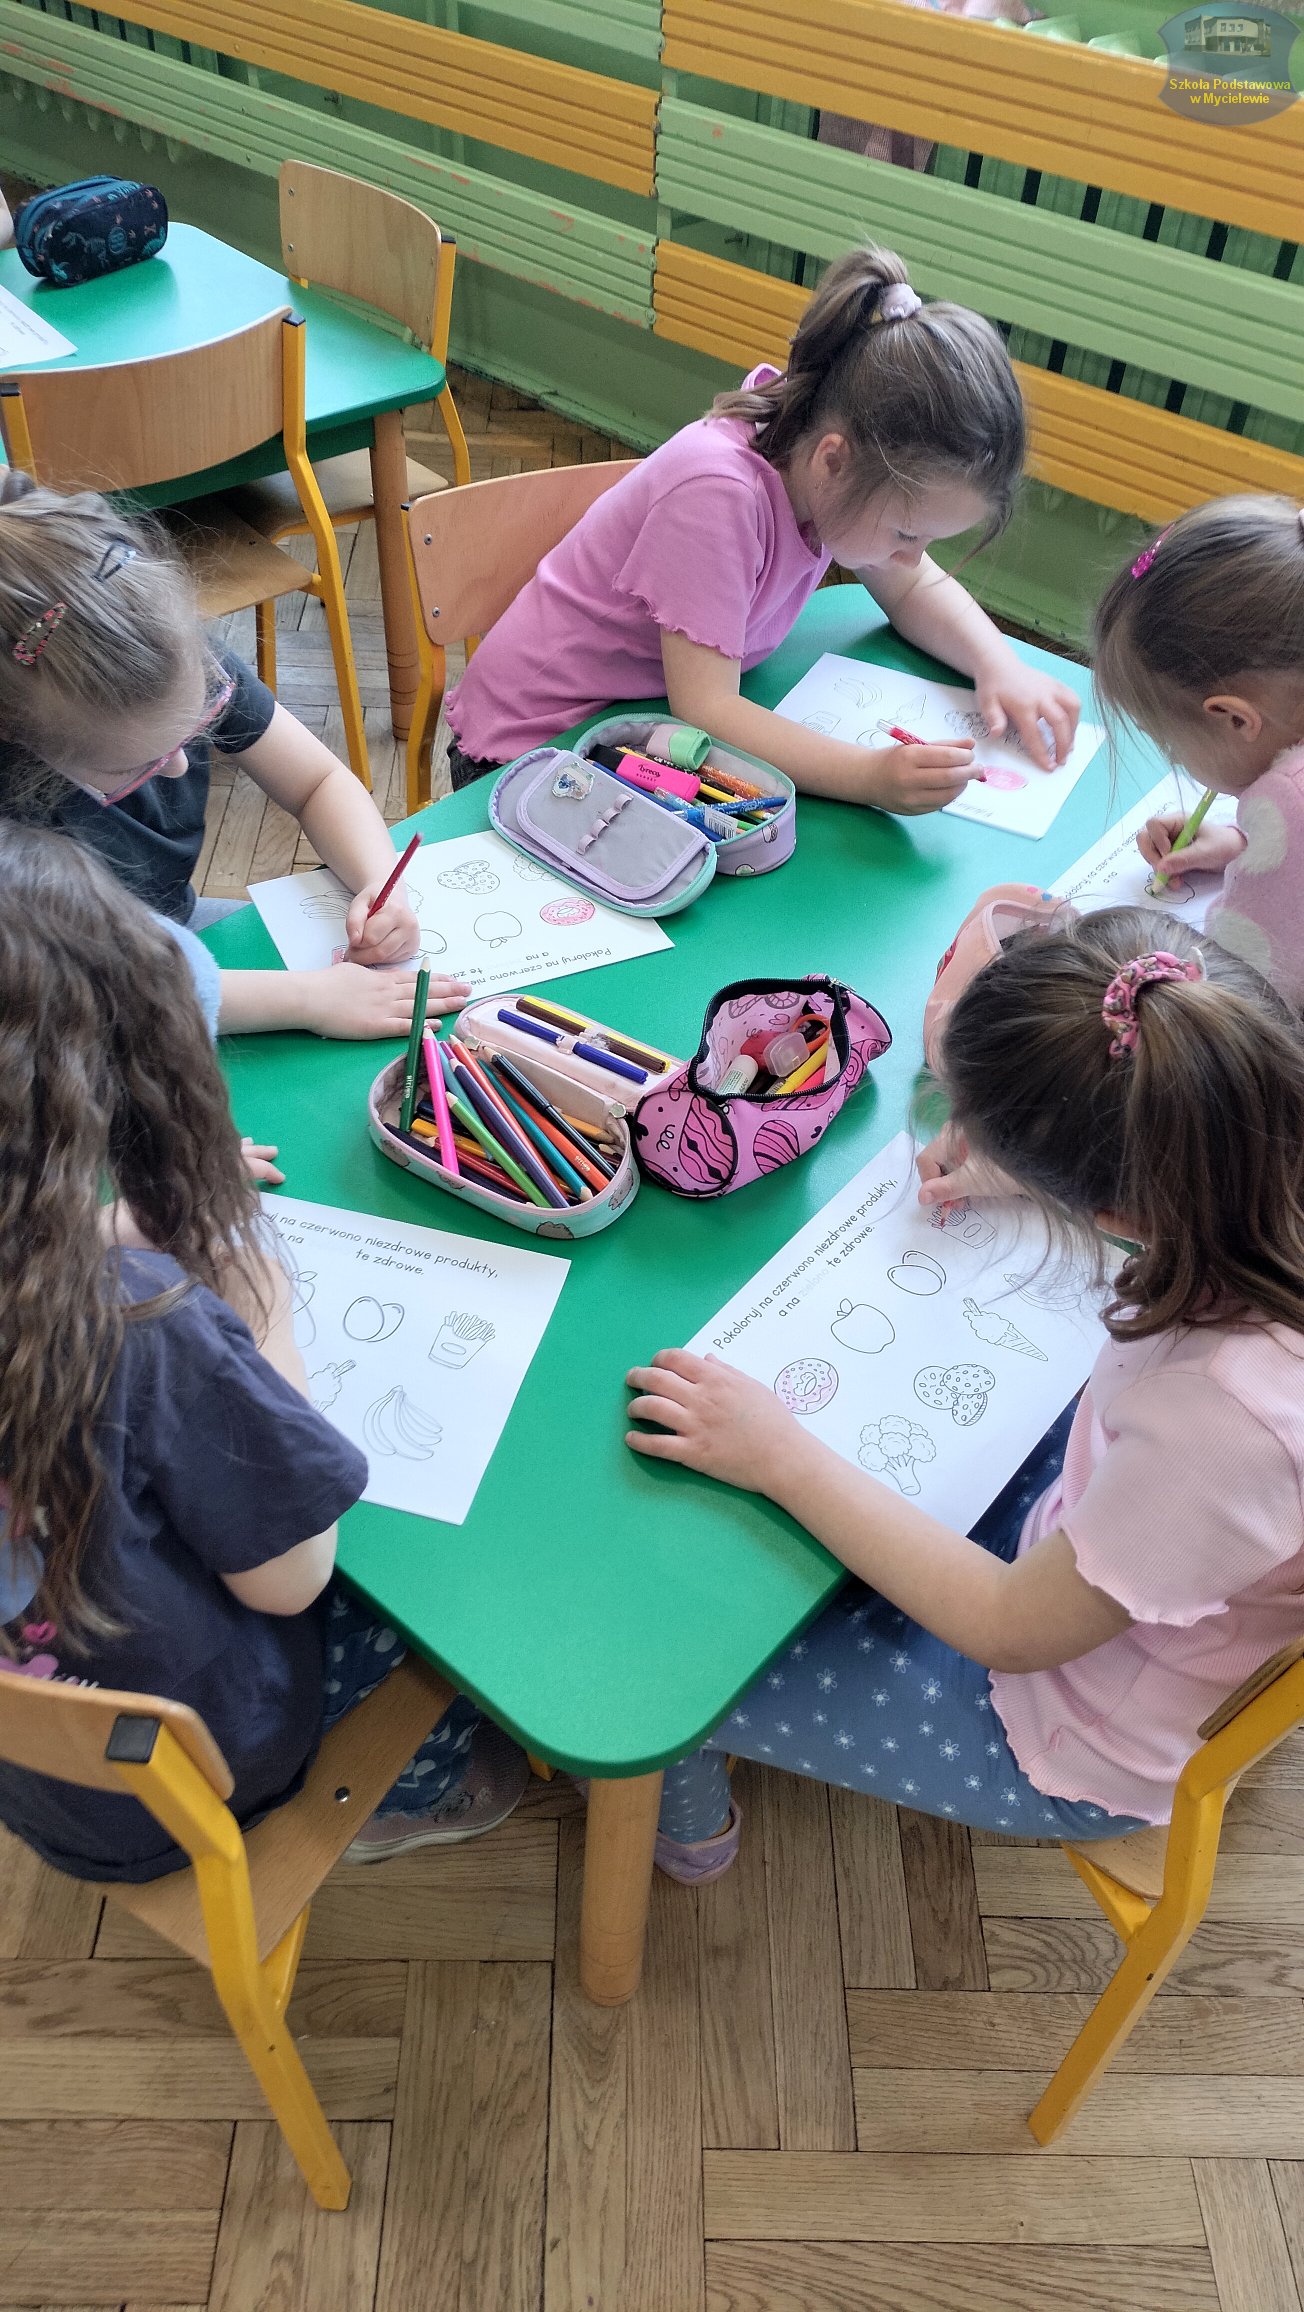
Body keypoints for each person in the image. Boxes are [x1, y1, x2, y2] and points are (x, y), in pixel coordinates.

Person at [624, 907, 1304, 1881]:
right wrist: (1032, 1175)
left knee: (660, 1671)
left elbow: (1006, 1626)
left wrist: (779, 1453)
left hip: (1066, 1726)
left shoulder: (1227, 1418)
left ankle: (690, 1839)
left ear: (1112, 1206)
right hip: (1114, 1547)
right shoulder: (1257, 1164)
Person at [0, 828, 526, 1882]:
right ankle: (410, 1796)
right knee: (441, 1603)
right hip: (191, 1779)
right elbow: (294, 1578)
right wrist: (267, 1312)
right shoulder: (140, 1327)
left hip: (39, 1770)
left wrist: (88, 1232)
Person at [444, 244, 1080, 812]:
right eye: (907, 535)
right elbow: (708, 708)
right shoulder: (718, 495)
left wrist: (999, 665)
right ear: (833, 461)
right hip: (529, 750)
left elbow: (911, 589)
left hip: (639, 728)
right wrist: (869, 777)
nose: (912, 558)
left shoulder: (828, 453)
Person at [0, 471, 469, 1038]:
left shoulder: (164, 658)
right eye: (133, 767)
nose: (179, 766)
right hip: (85, 994)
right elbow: (103, 990)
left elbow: (317, 782)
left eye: (194, 727)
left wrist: (378, 883)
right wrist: (308, 1000)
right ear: (19, 740)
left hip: (171, 937)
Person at [1095, 493, 1304, 1006]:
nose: (1174, 756)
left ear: (1235, 718)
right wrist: (1246, 845)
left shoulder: (1290, 802)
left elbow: (1248, 989)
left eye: (1171, 742)